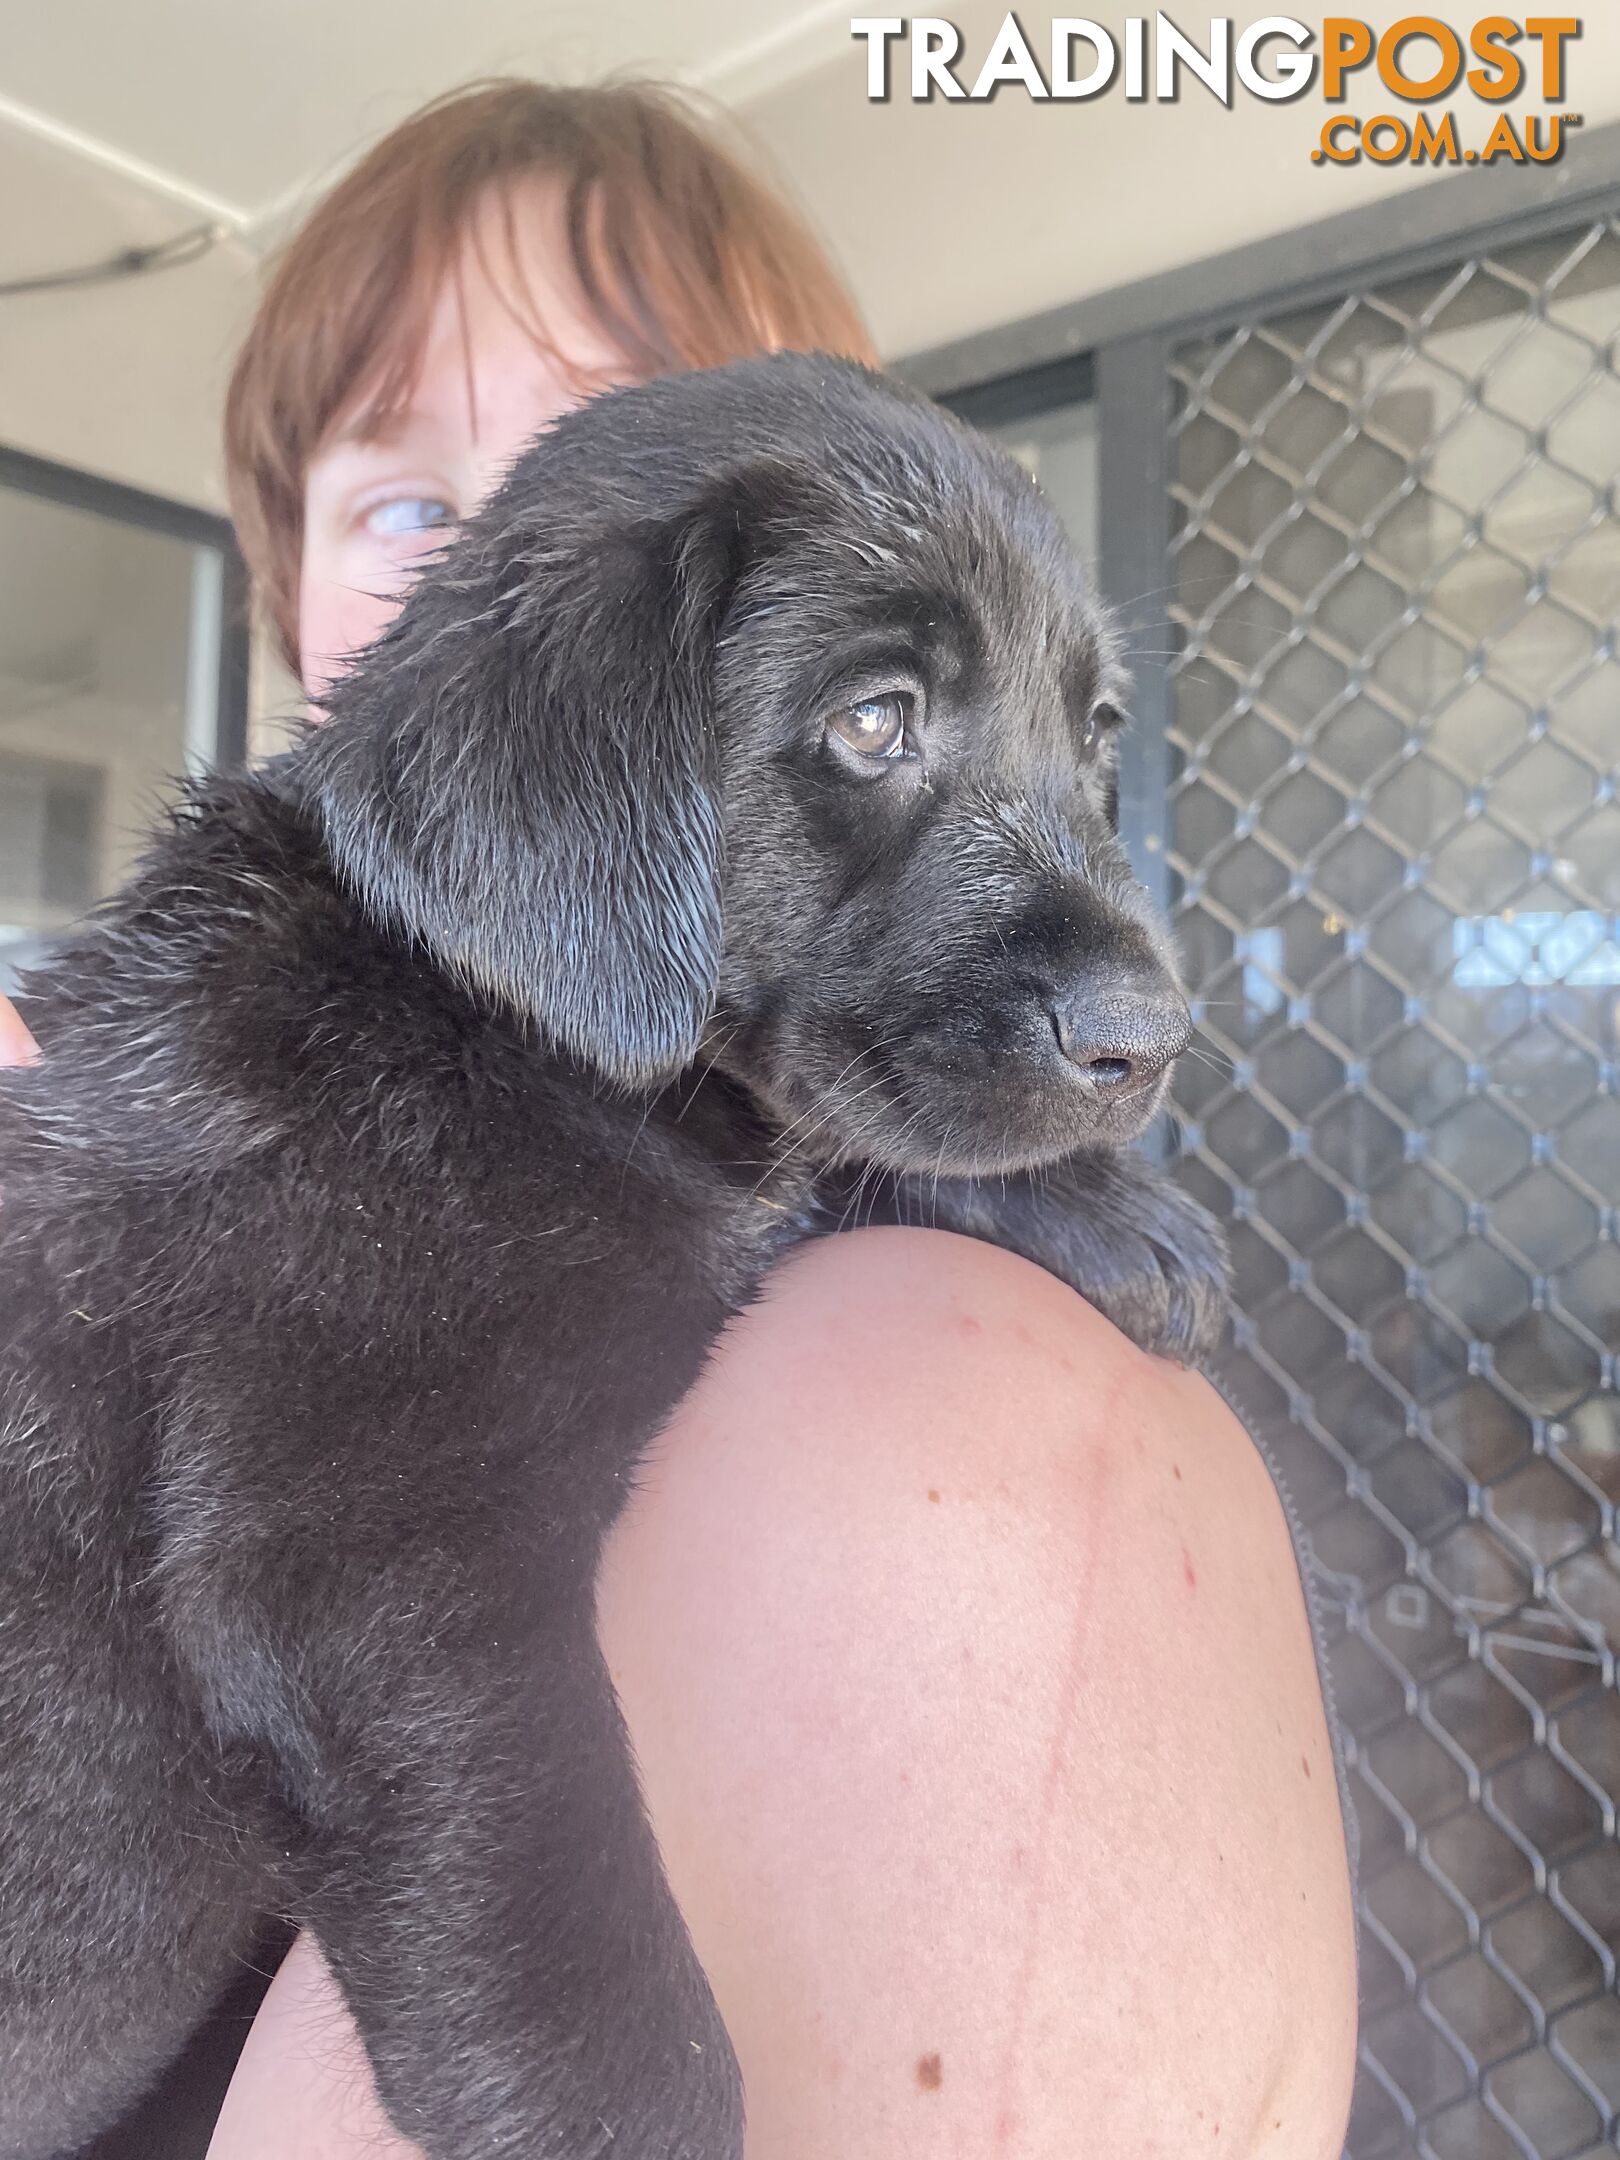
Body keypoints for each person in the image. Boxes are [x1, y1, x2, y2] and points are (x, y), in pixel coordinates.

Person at [3, 80, 1358, 2160]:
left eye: (1041, 730)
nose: (491, 568)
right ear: (287, 583)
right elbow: (375, 1607)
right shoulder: (269, 1082)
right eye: (406, 507)